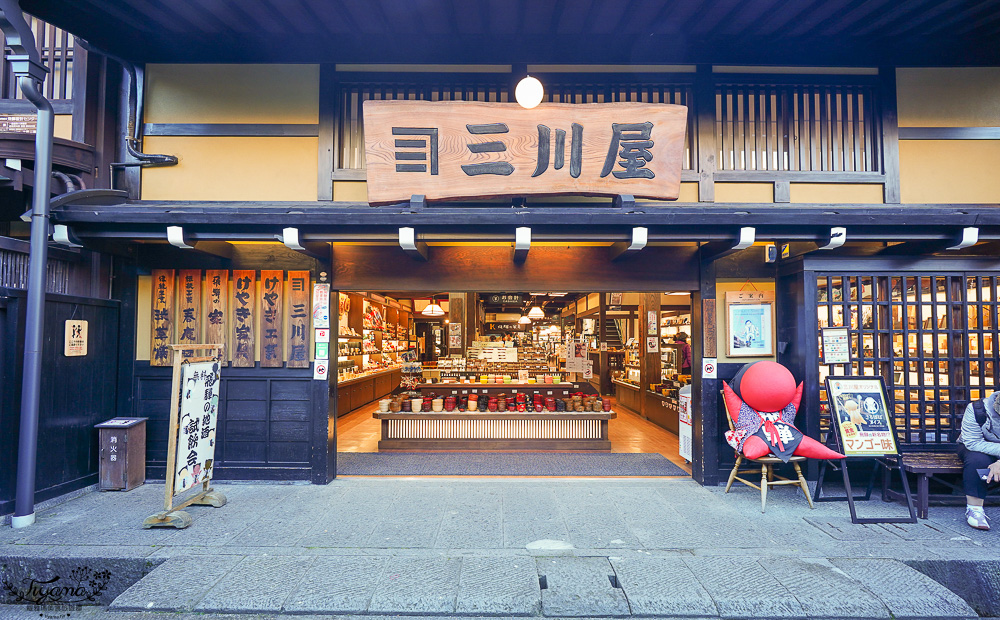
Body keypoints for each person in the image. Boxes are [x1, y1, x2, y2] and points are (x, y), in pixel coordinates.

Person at [958, 391, 1000, 530]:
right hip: (977, 445)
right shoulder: (977, 409)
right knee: (978, 460)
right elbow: (972, 442)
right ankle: (974, 509)